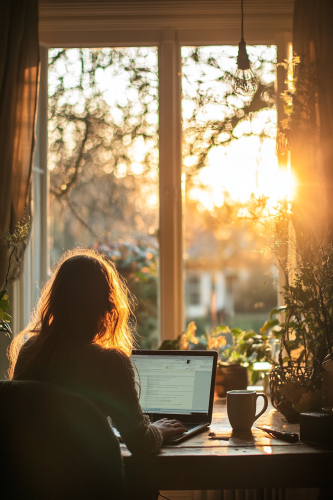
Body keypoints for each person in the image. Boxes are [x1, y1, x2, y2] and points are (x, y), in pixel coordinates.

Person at [8, 249, 187, 457]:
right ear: (108, 307)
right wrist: (159, 430)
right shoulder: (109, 363)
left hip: (31, 483)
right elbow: (142, 443)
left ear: (55, 301)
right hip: (88, 484)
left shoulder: (30, 350)